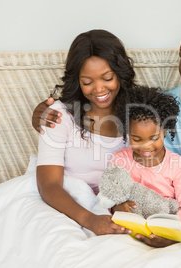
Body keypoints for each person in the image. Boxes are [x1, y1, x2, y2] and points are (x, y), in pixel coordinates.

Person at [32, 22, 181, 247]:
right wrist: (42, 113)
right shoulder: (159, 105)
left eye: (108, 78)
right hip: (116, 207)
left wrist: (178, 231)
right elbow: (52, 181)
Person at [36, 29, 137, 236]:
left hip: (113, 208)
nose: (99, 89)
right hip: (65, 206)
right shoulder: (59, 115)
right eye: (88, 82)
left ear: (120, 74)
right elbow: (49, 184)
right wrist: (89, 219)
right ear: (77, 81)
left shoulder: (137, 113)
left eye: (107, 78)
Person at [108, 86, 181, 223]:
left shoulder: (176, 164)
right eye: (137, 139)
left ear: (165, 131)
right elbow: (109, 197)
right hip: (131, 224)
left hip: (165, 222)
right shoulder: (119, 160)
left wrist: (169, 226)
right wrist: (116, 208)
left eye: (154, 138)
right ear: (128, 133)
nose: (146, 146)